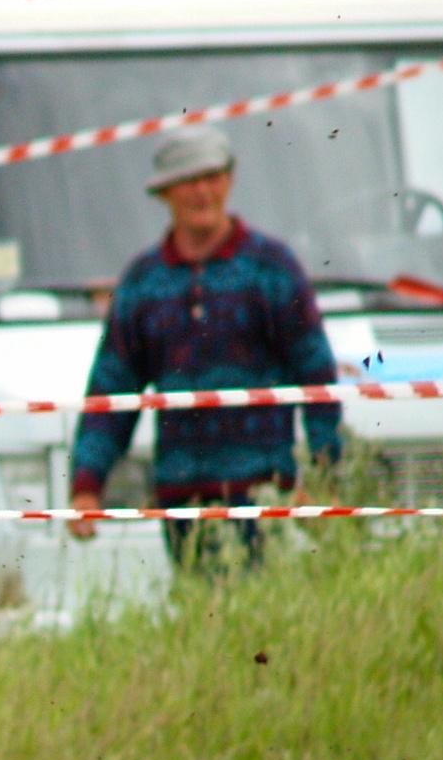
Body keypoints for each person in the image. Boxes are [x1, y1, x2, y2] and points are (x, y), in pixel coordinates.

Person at [68, 126, 341, 574]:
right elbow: (111, 390)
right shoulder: (142, 282)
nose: (202, 191)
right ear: (165, 193)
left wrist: (324, 477)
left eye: (212, 177)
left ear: (229, 182)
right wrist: (86, 485)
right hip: (182, 501)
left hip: (267, 497)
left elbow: (317, 376)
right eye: (188, 180)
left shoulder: (272, 268)